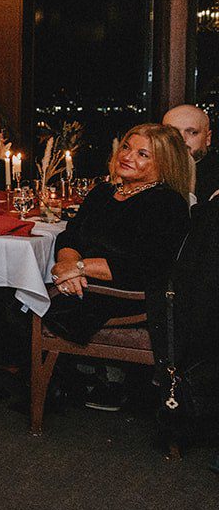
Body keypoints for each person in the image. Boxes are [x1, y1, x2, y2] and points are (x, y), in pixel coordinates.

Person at [44, 123, 192, 410]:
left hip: (128, 296)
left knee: (31, 304)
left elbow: (147, 266)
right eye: (126, 147)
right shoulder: (104, 192)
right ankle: (83, 379)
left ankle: (84, 380)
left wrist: (81, 267)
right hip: (90, 284)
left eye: (143, 154)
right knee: (17, 298)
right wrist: (65, 265)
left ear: (164, 163)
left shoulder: (166, 204)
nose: (127, 156)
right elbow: (71, 235)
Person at [163, 104, 217, 203]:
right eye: (172, 132)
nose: (181, 139)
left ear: (208, 138)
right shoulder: (148, 169)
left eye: (192, 132)